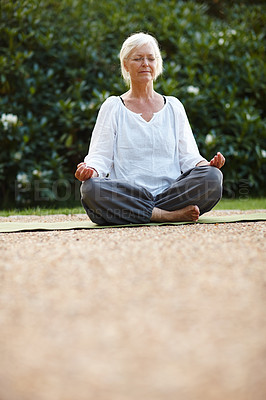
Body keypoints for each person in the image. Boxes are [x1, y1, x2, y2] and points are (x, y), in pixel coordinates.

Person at [75, 32, 225, 225]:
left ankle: (141, 212)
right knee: (91, 189)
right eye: (138, 58)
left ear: (157, 64)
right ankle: (164, 215)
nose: (145, 63)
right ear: (125, 65)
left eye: (151, 58)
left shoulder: (174, 106)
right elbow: (100, 157)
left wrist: (208, 166)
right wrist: (91, 170)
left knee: (213, 178)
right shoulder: (113, 106)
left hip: (170, 193)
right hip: (128, 194)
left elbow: (189, 157)